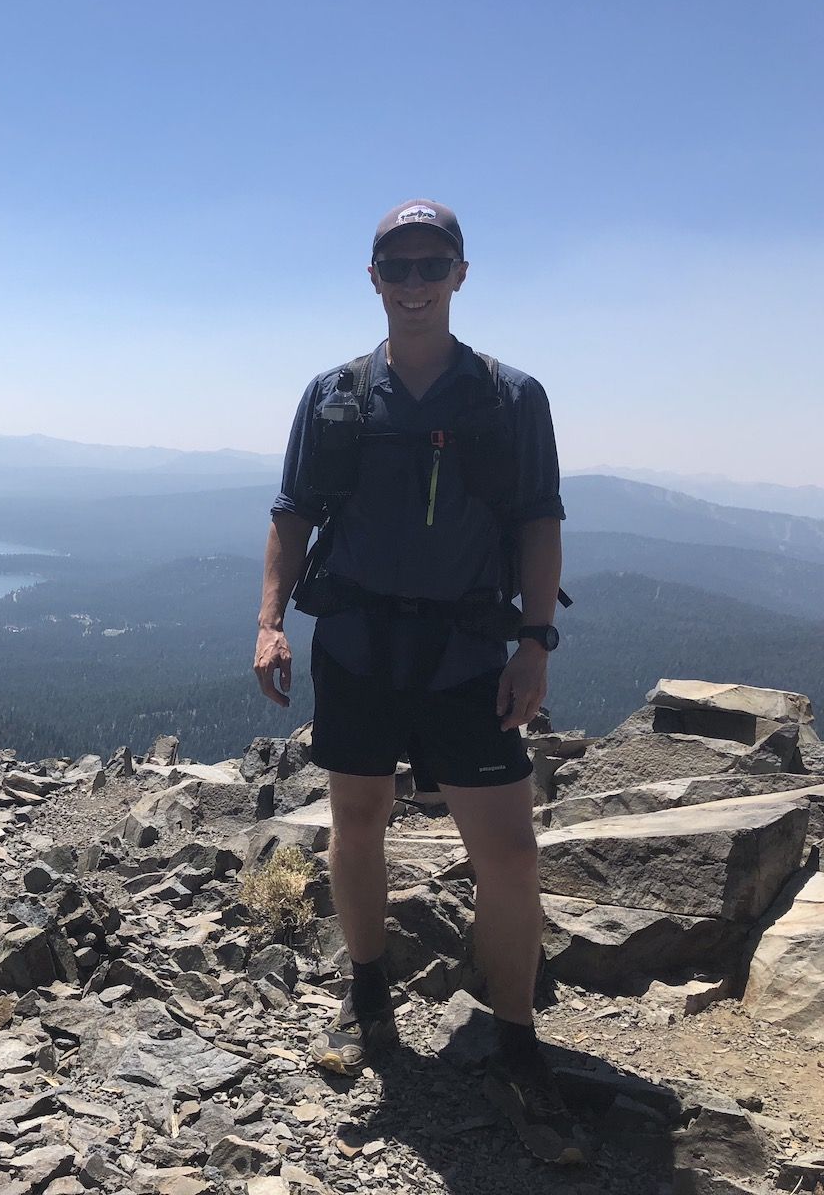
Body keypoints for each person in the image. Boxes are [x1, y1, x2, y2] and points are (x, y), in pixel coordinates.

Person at [253, 200, 585, 1165]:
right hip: (355, 643)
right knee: (357, 822)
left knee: (510, 854)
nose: (413, 279)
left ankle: (515, 1035)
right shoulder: (335, 396)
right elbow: (293, 514)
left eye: (430, 262)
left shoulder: (509, 398)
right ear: (373, 278)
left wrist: (537, 642)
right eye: (396, 264)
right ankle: (367, 994)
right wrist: (270, 622)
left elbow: (538, 521)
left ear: (460, 273)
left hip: (468, 652)